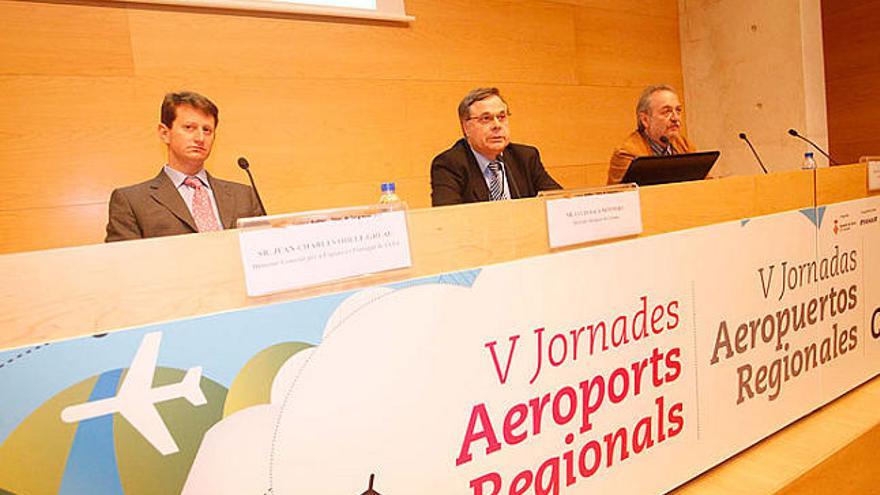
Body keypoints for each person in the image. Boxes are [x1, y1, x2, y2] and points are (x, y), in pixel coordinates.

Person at [105, 92, 263, 242]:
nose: (200, 138)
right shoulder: (132, 202)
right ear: (164, 133)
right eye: (189, 128)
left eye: (207, 130)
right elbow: (123, 264)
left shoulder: (244, 196)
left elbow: (264, 250)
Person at [430, 87, 561, 206]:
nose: (497, 125)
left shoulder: (525, 157)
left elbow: (560, 201)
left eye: (501, 117)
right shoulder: (449, 164)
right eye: (486, 118)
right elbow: (448, 216)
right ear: (466, 127)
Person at [608, 84, 696, 185]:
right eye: (667, 112)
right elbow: (620, 197)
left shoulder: (685, 145)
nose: (675, 118)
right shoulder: (627, 154)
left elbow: (706, 184)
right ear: (645, 120)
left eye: (678, 110)